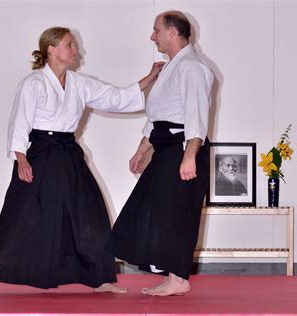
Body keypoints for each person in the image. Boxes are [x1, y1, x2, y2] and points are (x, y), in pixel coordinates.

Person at [0, 26, 164, 295]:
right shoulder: (34, 83)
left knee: (90, 212)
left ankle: (99, 277)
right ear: (51, 49)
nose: (76, 50)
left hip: (67, 151)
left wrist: (150, 78)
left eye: (73, 45)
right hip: (39, 152)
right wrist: (21, 159)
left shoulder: (79, 83)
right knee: (19, 213)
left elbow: (115, 97)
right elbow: (19, 123)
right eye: (69, 45)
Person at [110, 11, 213, 296]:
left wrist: (190, 154)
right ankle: (172, 274)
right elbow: (159, 116)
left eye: (156, 30)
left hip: (183, 148)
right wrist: (142, 149)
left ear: (172, 33)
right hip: (167, 148)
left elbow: (196, 114)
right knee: (152, 210)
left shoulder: (192, 66)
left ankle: (179, 278)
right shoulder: (172, 67)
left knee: (177, 214)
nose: (152, 36)